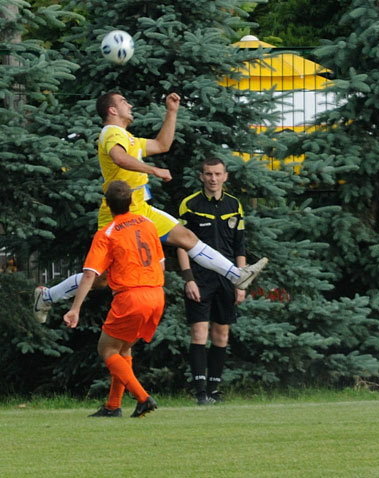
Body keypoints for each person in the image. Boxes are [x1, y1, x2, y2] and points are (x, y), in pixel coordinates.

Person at [34, 91, 267, 323]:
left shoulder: (128, 138)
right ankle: (47, 296)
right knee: (101, 279)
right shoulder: (111, 133)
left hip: (141, 211)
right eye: (124, 101)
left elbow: (161, 144)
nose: (130, 104)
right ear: (112, 110)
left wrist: (172, 112)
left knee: (186, 237)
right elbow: (119, 158)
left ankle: (236, 275)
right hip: (119, 216)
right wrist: (154, 171)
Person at [63, 180, 164, 418]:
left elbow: (90, 274)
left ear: (106, 204)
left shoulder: (106, 234)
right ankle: (112, 406)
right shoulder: (148, 224)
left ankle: (143, 398)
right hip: (156, 293)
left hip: (131, 296)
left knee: (107, 349)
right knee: (123, 348)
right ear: (131, 201)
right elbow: (160, 261)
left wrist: (75, 308)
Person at [177, 158, 247, 405]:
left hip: (227, 278)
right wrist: (189, 279)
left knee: (221, 334)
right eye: (208, 174)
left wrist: (241, 281)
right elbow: (181, 244)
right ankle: (200, 393)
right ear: (201, 176)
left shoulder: (234, 205)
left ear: (225, 176)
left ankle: (215, 391)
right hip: (200, 278)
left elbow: (239, 246)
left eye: (217, 174)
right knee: (199, 332)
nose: (213, 179)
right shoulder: (190, 204)